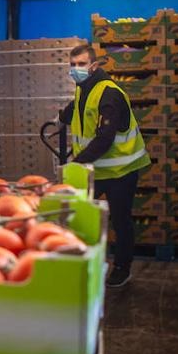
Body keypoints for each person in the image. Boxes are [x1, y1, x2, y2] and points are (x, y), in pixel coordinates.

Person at [59, 43, 151, 287]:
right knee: (78, 214)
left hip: (121, 171)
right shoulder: (83, 88)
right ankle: (80, 263)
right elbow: (76, 108)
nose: (76, 69)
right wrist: (60, 117)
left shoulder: (109, 93)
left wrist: (75, 164)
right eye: (72, 65)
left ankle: (122, 268)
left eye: (81, 64)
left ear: (94, 66)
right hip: (95, 169)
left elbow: (105, 138)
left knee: (120, 220)